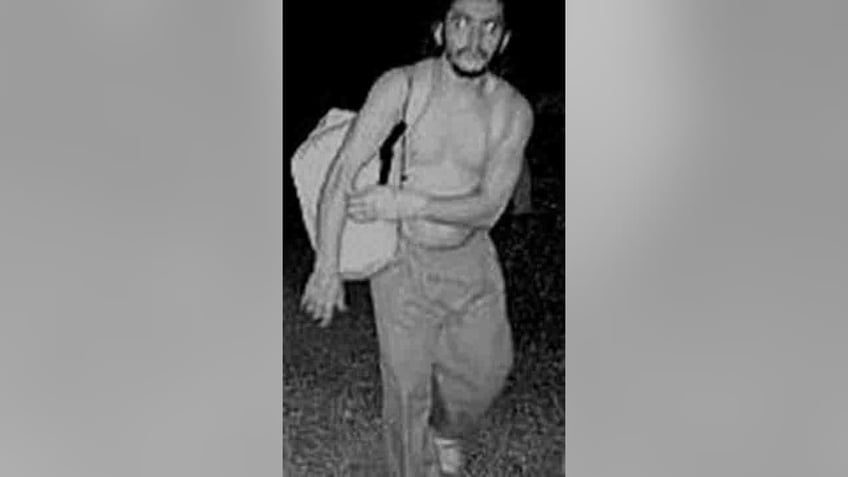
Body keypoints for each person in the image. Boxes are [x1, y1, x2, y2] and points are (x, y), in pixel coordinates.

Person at [301, 0, 533, 474]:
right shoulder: (403, 86)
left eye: (489, 27)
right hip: (402, 261)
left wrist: (410, 202)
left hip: (471, 257)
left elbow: (490, 206)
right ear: (440, 30)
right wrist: (326, 267)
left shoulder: (511, 110)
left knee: (486, 372)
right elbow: (343, 171)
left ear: (504, 38)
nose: (474, 40)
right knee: (406, 391)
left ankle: (446, 431)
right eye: (461, 23)